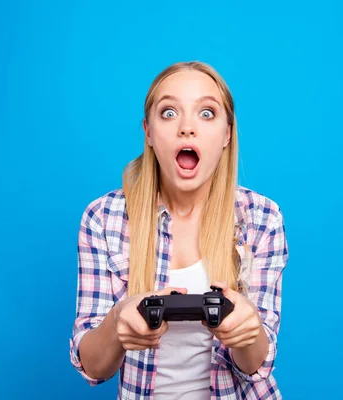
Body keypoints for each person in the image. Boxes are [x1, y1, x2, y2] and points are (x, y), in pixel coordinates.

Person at [69, 61, 288, 399]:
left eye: (207, 113)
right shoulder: (104, 219)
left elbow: (255, 366)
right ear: (148, 132)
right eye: (169, 113)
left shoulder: (262, 218)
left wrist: (249, 331)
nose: (187, 128)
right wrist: (116, 324)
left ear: (228, 133)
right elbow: (94, 367)